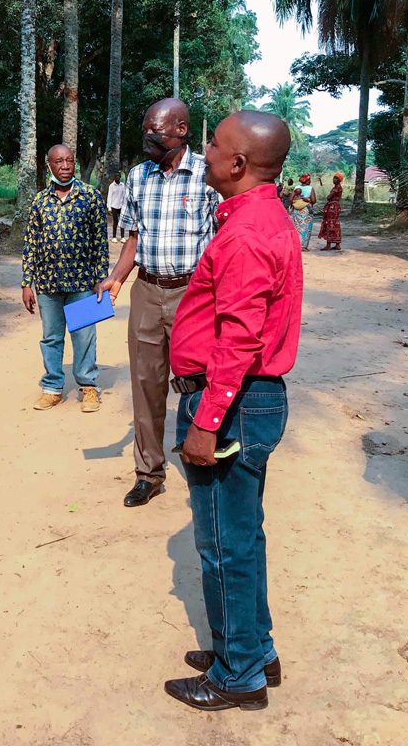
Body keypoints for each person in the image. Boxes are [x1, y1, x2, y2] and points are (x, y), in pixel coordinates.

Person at [162, 110, 301, 713]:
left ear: (239, 164)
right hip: (246, 399)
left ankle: (237, 674)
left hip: (233, 402)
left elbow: (239, 338)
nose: (205, 152)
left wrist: (205, 421)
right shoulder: (257, 218)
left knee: (225, 543)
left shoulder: (245, 234)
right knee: (241, 536)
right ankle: (248, 646)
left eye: (214, 145)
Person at [96, 98, 218, 508]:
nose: (147, 137)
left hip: (193, 296)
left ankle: (203, 461)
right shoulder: (137, 176)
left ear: (181, 130)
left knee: (199, 382)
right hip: (146, 293)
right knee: (146, 387)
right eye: (145, 128)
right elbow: (132, 236)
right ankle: (149, 473)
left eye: (156, 130)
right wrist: (116, 277)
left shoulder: (207, 174)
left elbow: (222, 237)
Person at [22, 144, 108, 412]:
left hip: (82, 283)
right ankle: (52, 388)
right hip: (47, 284)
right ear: (49, 165)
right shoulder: (39, 201)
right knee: (51, 337)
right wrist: (27, 282)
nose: (65, 166)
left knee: (84, 335)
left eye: (69, 161)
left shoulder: (90, 197)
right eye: (59, 162)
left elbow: (100, 241)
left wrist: (101, 278)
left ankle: (88, 387)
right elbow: (31, 243)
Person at [290, 173, 315, 250]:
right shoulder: (310, 188)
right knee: (306, 228)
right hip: (306, 210)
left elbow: (290, 199)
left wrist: (295, 202)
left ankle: (296, 245)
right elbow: (313, 200)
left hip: (296, 210)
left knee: (297, 227)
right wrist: (307, 200)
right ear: (308, 180)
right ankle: (303, 246)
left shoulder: (296, 187)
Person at [319, 172, 343, 250]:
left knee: (330, 223)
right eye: (334, 178)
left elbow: (329, 197)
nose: (334, 180)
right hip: (336, 207)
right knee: (335, 224)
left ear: (339, 180)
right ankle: (337, 244)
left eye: (336, 178)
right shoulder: (338, 187)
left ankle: (328, 245)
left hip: (332, 208)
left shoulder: (336, 188)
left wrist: (328, 196)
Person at [106, 172, 127, 242]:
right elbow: (109, 196)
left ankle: (122, 237)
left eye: (118, 176)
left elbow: (124, 196)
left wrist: (125, 205)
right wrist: (109, 207)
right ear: (114, 178)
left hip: (121, 206)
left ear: (120, 177)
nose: (117, 177)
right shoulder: (112, 186)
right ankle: (114, 237)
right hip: (114, 206)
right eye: (116, 176)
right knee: (115, 221)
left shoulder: (122, 185)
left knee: (122, 222)